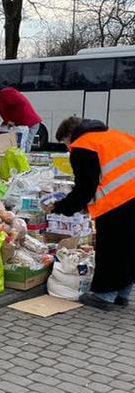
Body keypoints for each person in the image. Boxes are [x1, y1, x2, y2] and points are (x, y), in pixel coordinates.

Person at [51, 117, 135, 310]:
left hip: (117, 202)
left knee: (111, 249)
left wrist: (61, 207)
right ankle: (121, 295)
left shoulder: (83, 146)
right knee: (129, 248)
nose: (67, 147)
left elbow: (85, 189)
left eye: (65, 143)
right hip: (130, 197)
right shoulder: (117, 135)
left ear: (69, 136)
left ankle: (104, 296)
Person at [0, 83, 42, 152]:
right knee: (22, 144)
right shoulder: (3, 95)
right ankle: (20, 158)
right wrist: (8, 121)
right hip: (27, 122)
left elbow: (18, 106)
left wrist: (11, 121)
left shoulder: (5, 95)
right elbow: (5, 111)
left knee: (24, 144)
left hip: (29, 122)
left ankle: (22, 159)